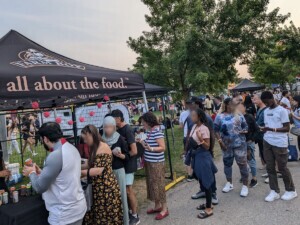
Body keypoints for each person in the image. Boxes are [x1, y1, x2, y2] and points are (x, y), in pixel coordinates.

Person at [22, 122, 86, 225]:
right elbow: (63, 175)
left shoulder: (55, 155)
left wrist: (31, 173)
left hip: (64, 215)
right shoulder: (71, 148)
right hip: (77, 208)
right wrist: (42, 172)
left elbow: (39, 187)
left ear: (45, 139)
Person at [81, 125, 123, 225]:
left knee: (107, 217)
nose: (85, 141)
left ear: (91, 135)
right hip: (99, 188)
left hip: (106, 188)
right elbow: (91, 163)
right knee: (101, 216)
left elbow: (98, 170)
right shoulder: (94, 147)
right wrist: (75, 166)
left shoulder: (103, 147)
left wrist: (80, 173)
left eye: (85, 139)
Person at [260, 91, 297, 202]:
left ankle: (291, 190)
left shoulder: (282, 111)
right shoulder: (266, 111)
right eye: (264, 103)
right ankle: (274, 191)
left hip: (280, 143)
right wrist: (264, 129)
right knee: (270, 167)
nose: (266, 104)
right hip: (267, 141)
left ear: (272, 98)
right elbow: (268, 125)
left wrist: (271, 129)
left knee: (282, 168)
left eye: (267, 102)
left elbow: (287, 128)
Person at [214, 98, 249, 197]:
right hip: (226, 145)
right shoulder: (219, 117)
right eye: (232, 104)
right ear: (226, 105)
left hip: (240, 144)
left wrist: (244, 131)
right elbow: (215, 130)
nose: (234, 106)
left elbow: (245, 127)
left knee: (242, 164)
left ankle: (245, 186)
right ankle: (229, 183)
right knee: (227, 164)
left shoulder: (239, 115)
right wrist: (220, 141)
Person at [111, 109, 140, 225]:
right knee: (122, 190)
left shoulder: (127, 129)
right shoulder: (116, 130)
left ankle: (135, 215)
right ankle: (127, 213)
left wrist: (123, 155)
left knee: (128, 190)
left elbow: (134, 150)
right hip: (121, 165)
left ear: (118, 118)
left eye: (113, 119)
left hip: (128, 164)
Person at [139, 112, 169, 220]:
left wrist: (151, 149)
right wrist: (143, 143)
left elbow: (162, 147)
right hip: (150, 162)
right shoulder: (151, 131)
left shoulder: (156, 131)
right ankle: (157, 206)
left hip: (157, 163)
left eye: (143, 122)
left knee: (159, 185)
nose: (143, 124)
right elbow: (150, 145)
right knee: (153, 185)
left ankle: (164, 209)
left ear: (148, 121)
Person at [188, 108, 217, 219]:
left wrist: (200, 139)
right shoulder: (195, 126)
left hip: (203, 156)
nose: (192, 117)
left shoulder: (204, 129)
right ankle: (207, 203)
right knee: (197, 177)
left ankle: (209, 209)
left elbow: (207, 146)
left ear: (199, 116)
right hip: (196, 156)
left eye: (193, 115)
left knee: (206, 181)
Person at [102, 116, 130, 225]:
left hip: (118, 170)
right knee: (109, 197)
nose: (107, 129)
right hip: (106, 171)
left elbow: (128, 156)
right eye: (105, 127)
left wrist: (120, 155)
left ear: (114, 127)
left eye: (109, 127)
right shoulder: (101, 139)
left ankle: (125, 221)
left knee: (122, 195)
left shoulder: (120, 138)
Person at [237, 103, 258, 188]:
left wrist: (252, 139)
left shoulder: (249, 117)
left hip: (249, 142)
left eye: (240, 107)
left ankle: (254, 179)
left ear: (245, 108)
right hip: (240, 143)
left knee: (251, 160)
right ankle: (245, 176)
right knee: (242, 161)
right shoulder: (236, 118)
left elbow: (257, 129)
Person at [179, 100, 194, 181]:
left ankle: (189, 175)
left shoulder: (182, 113)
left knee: (188, 155)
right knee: (195, 154)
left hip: (186, 137)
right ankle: (195, 171)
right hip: (195, 137)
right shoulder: (196, 113)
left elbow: (181, 126)